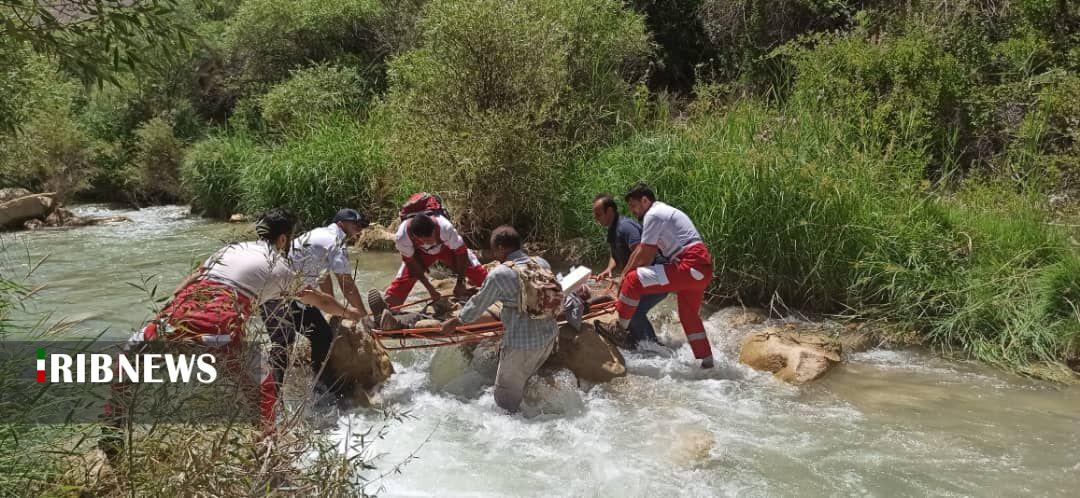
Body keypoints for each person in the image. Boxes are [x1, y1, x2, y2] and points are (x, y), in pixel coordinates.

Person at [105, 208, 364, 448]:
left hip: (170, 321)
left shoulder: (229, 249)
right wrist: (351, 312)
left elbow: (188, 281)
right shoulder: (281, 268)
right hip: (219, 329)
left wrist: (170, 312)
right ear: (283, 239)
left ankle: (111, 435)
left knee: (125, 364)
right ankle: (267, 449)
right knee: (265, 387)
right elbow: (320, 301)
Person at [438, 226, 558, 412]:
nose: (494, 254)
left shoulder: (500, 273)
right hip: (548, 338)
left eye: (494, 249)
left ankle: (517, 431)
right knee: (524, 380)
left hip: (521, 345)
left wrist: (454, 322)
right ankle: (533, 409)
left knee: (504, 401)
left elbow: (478, 304)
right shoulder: (541, 263)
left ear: (501, 248)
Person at [261, 208, 370, 397]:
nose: (359, 230)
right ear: (342, 223)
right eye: (357, 225)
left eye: (362, 227)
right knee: (320, 337)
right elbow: (347, 284)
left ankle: (275, 392)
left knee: (286, 341)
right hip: (285, 295)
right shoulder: (336, 241)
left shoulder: (319, 234)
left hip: (277, 290)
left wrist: (332, 309)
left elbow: (322, 274)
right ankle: (320, 389)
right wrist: (363, 317)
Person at [616, 183, 716, 368]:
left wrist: (625, 278)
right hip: (701, 269)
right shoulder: (662, 212)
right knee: (688, 316)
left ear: (645, 200)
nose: (632, 210)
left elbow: (645, 255)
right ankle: (707, 362)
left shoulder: (653, 214)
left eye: (634, 204)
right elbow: (641, 250)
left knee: (633, 279)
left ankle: (618, 330)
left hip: (688, 264)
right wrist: (624, 272)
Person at [592, 193, 668, 348]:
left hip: (657, 275)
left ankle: (655, 350)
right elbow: (615, 254)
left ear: (610, 211)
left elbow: (641, 253)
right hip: (642, 278)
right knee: (629, 309)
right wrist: (609, 268)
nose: (596, 219)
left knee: (633, 311)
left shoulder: (625, 227)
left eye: (599, 214)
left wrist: (625, 278)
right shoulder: (613, 230)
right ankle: (639, 342)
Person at [382, 209, 488, 308]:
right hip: (420, 253)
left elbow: (462, 252)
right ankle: (387, 308)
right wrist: (430, 289)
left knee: (476, 271)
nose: (432, 241)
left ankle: (495, 291)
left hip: (445, 248)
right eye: (427, 240)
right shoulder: (402, 237)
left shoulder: (445, 227)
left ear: (434, 227)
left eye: (432, 236)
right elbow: (412, 265)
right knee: (404, 280)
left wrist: (461, 282)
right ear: (416, 237)